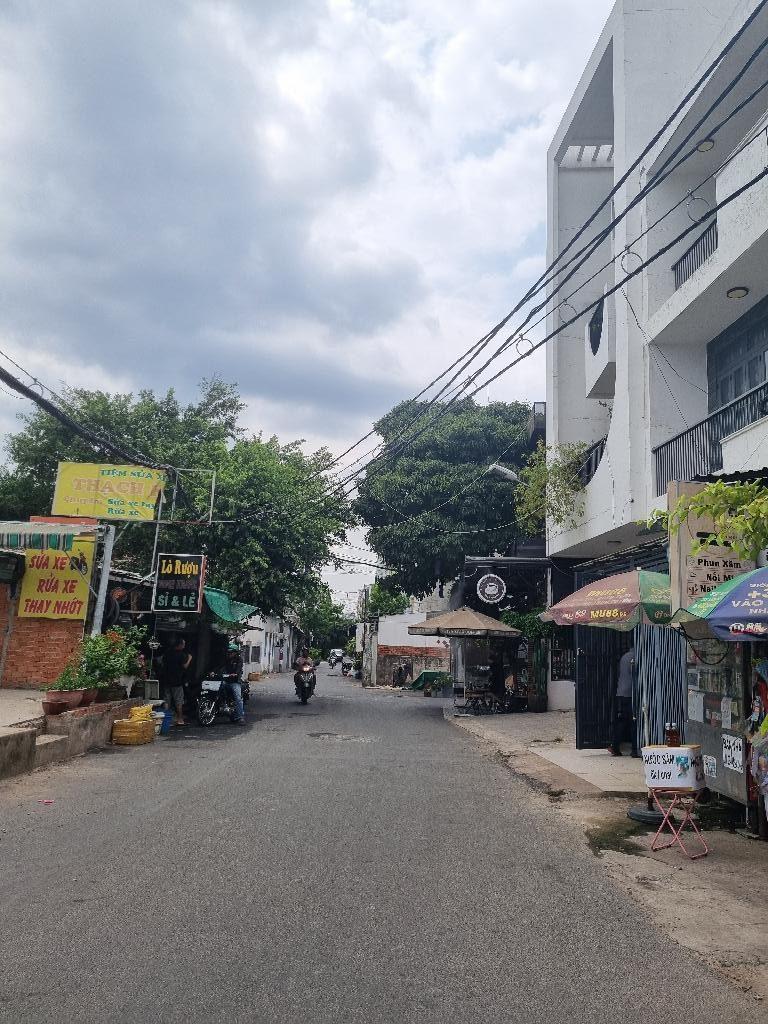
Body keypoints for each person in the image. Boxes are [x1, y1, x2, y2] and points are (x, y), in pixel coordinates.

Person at [610, 647, 639, 757]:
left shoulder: (624, 656)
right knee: (633, 721)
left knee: (622, 720)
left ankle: (615, 746)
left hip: (621, 692)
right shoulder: (635, 657)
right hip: (630, 693)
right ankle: (635, 749)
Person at [163, 637, 191, 727]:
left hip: (166, 680)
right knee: (178, 701)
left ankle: (166, 719)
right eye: (183, 644)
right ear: (179, 645)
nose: (184, 646)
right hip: (177, 681)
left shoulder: (167, 653)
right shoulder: (181, 654)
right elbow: (185, 666)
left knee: (167, 700)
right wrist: (189, 658)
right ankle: (180, 719)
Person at [220, 642, 246, 725]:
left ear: (235, 653)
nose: (229, 653)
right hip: (226, 680)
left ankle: (240, 717)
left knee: (238, 698)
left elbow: (239, 669)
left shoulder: (239, 660)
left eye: (231, 652)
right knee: (217, 688)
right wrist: (214, 672)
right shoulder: (226, 659)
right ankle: (222, 705)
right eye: (229, 652)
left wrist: (235, 674)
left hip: (235, 682)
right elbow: (221, 667)